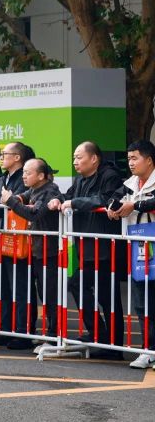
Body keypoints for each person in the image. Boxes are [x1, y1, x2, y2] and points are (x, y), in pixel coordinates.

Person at [49, 141, 127, 358]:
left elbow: (105, 199)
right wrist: (57, 200)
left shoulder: (109, 176)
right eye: (74, 158)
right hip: (86, 246)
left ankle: (113, 344)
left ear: (94, 159)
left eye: (79, 157)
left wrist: (75, 202)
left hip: (105, 248)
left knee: (107, 297)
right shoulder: (80, 179)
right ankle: (101, 336)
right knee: (81, 286)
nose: (75, 162)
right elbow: (68, 196)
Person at [2, 158, 62, 350]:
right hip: (37, 250)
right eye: (24, 172)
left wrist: (11, 201)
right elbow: (23, 197)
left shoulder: (49, 191)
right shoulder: (35, 190)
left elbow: (35, 214)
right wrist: (16, 199)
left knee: (50, 295)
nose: (24, 176)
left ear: (41, 175)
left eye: (28, 173)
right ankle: (50, 333)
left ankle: (54, 335)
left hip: (49, 251)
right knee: (43, 293)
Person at [108, 140, 155, 369]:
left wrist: (134, 206)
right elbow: (113, 197)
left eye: (135, 158)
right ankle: (148, 349)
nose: (131, 163)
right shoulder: (130, 183)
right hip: (139, 248)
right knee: (141, 302)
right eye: (128, 159)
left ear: (149, 160)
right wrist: (113, 207)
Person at [0, 141, 33, 344]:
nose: (2, 157)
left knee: (20, 286)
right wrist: (3, 201)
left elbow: (16, 205)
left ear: (17, 157)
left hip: (19, 238)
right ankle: (5, 328)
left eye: (5, 154)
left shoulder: (24, 179)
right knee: (2, 285)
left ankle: (23, 331)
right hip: (1, 236)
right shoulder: (1, 179)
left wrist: (6, 202)